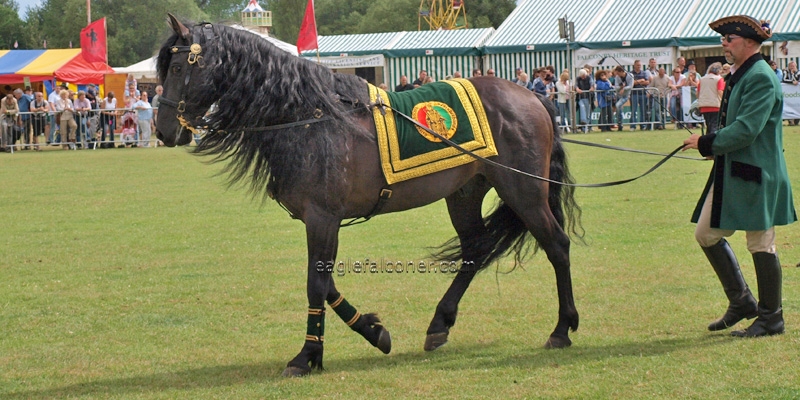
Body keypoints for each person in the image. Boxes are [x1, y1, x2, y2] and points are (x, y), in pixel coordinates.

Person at [682, 15, 796, 338]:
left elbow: (746, 129)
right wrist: (713, 146)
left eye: (729, 38)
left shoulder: (759, 76)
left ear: (748, 42)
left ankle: (771, 318)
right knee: (706, 233)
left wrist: (707, 142)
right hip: (734, 171)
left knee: (761, 243)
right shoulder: (741, 73)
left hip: (757, 173)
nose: (724, 43)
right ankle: (742, 301)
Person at [696, 63, 724, 135]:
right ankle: (712, 142)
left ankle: (707, 142)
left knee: (709, 126)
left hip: (704, 106)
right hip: (715, 106)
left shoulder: (701, 79)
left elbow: (697, 93)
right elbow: (720, 91)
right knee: (714, 126)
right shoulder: (719, 79)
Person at [630, 60, 650, 130]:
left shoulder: (644, 73)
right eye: (637, 65)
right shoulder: (631, 73)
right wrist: (641, 80)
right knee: (633, 110)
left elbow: (647, 82)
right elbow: (631, 83)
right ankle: (633, 126)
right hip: (634, 94)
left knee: (643, 110)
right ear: (634, 65)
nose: (639, 66)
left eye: (640, 65)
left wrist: (637, 82)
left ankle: (643, 125)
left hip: (643, 94)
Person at [613, 66, 632, 131]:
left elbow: (630, 86)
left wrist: (624, 88)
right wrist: (621, 87)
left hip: (625, 95)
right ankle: (620, 124)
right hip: (618, 95)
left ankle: (620, 122)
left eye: (618, 73)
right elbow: (616, 86)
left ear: (621, 72)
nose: (617, 75)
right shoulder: (617, 77)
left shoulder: (630, 75)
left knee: (618, 105)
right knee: (619, 108)